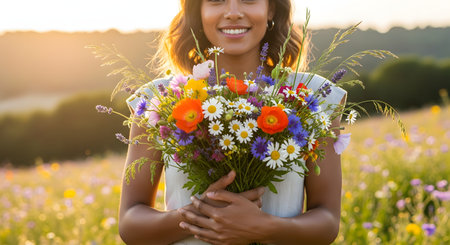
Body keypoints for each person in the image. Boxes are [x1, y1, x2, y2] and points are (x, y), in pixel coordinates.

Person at [119, 0, 346, 244]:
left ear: (271, 9)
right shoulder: (160, 100)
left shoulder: (311, 95)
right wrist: (197, 214)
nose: (233, 13)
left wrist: (263, 227)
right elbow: (130, 223)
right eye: (217, 0)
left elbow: (327, 222)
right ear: (198, 11)